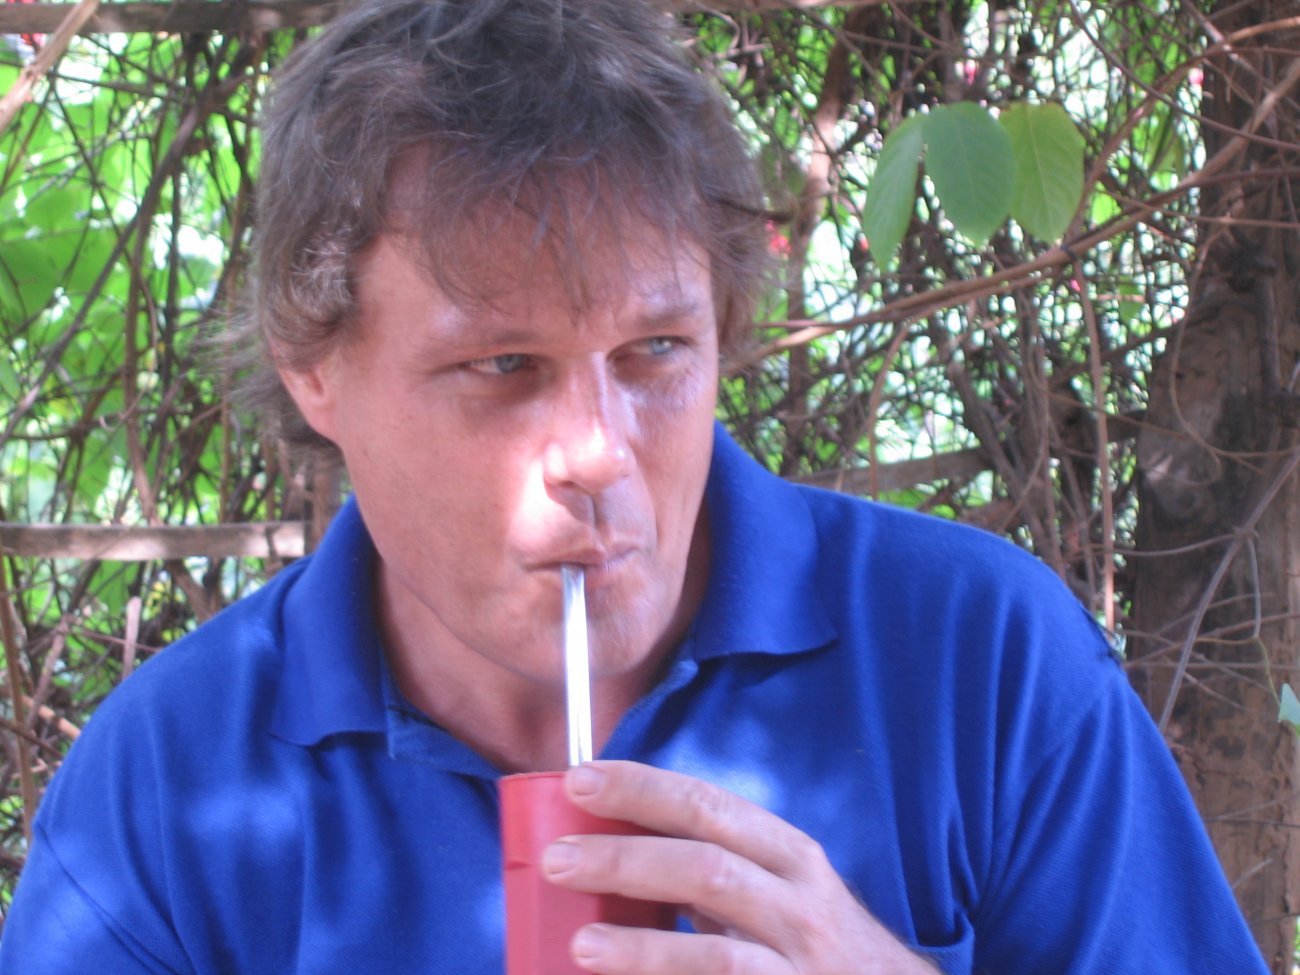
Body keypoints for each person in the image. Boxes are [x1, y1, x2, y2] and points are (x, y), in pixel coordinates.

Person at [0, 2, 1270, 972]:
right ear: (315, 369)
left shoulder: (976, 661)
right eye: (502, 365)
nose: (598, 450)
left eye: (654, 352)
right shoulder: (168, 784)